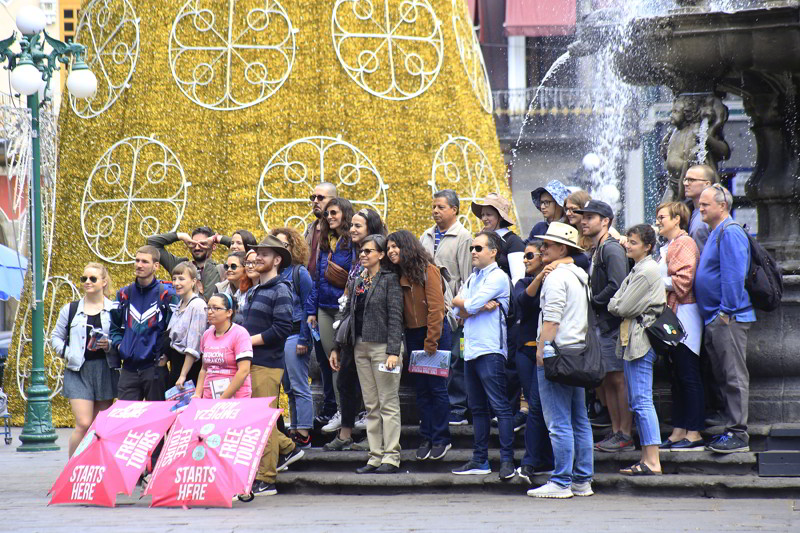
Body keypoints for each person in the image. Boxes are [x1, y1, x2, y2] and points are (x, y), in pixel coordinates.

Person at [527, 222, 594, 499]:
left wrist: (541, 350)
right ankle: (581, 479)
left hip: (557, 351)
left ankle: (561, 480)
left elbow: (552, 318)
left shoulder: (556, 277)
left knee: (558, 421)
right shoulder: (579, 274)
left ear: (562, 248)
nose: (542, 249)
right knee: (579, 418)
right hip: (577, 351)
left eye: (548, 245)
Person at [332, 235, 404, 474]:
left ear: (381, 255)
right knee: (371, 405)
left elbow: (396, 317)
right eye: (361, 251)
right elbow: (347, 316)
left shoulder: (389, 279)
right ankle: (375, 455)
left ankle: (391, 456)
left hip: (383, 347)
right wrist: (338, 346)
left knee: (388, 403)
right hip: (359, 346)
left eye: (368, 251)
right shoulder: (358, 280)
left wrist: (393, 350)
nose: (363, 254)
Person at [451, 231, 515, 481]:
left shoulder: (498, 277)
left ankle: (507, 460)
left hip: (490, 348)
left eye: (479, 248)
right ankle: (480, 459)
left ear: (493, 252)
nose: (474, 252)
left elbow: (469, 306)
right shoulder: (473, 277)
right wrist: (467, 305)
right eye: (472, 248)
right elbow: (457, 311)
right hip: (471, 349)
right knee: (477, 408)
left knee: (500, 406)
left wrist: (468, 305)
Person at [695, 185, 755, 453]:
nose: (701, 208)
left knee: (733, 375)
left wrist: (725, 312)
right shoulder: (715, 233)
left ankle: (738, 433)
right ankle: (731, 427)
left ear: (722, 206)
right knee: (725, 374)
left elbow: (734, 275)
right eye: (700, 204)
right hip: (716, 317)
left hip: (728, 318)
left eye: (706, 204)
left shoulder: (730, 232)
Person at [242, 235, 303, 496]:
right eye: (257, 253)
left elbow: (281, 329)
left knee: (261, 421)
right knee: (257, 419)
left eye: (264, 254)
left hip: (267, 364)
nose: (257, 257)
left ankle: (266, 478)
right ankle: (289, 448)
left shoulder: (282, 289)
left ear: (277, 260)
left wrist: (244, 341)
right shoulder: (256, 289)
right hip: (250, 362)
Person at [387, 229, 452, 461]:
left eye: (396, 246)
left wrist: (431, 342)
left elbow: (437, 309)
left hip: (433, 334)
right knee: (421, 391)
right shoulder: (397, 274)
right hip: (413, 336)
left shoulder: (429, 270)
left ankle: (441, 438)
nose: (391, 251)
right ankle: (427, 436)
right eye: (389, 248)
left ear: (408, 247)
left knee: (436, 388)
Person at [324, 208, 385, 451]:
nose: (352, 229)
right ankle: (345, 433)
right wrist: (338, 344)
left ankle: (375, 438)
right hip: (351, 333)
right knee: (345, 382)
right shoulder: (355, 260)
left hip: (374, 335)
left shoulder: (383, 261)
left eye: (358, 226)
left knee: (374, 390)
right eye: (353, 225)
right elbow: (346, 301)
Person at [608, 224, 666, 476]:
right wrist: (619, 303)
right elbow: (616, 301)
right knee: (637, 400)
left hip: (641, 341)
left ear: (648, 246)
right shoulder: (638, 269)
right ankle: (646, 458)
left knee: (642, 400)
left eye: (633, 242)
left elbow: (621, 307)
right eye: (628, 241)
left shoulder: (646, 271)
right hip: (633, 340)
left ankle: (652, 460)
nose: (628, 245)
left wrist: (620, 303)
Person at [576, 200, 633, 452]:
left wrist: (593, 302)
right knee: (608, 378)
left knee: (618, 379)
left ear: (606, 221)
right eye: (583, 216)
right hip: (603, 322)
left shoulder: (610, 248)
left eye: (591, 217)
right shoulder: (599, 248)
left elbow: (617, 285)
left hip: (612, 323)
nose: (584, 221)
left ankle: (625, 433)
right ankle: (615, 429)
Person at [51, 263, 118, 457]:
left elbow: (121, 336)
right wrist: (66, 352)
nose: (87, 282)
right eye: (84, 279)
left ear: (104, 282)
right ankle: (71, 469)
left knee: (98, 426)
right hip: (78, 369)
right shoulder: (70, 309)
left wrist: (110, 344)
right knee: (83, 423)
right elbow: (56, 336)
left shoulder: (114, 309)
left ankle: (92, 468)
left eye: (93, 279)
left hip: (105, 369)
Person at [420, 189, 473, 426]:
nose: (435, 211)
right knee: (431, 356)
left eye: (441, 207)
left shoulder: (464, 237)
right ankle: (434, 405)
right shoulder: (427, 236)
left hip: (453, 309)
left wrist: (461, 309)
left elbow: (467, 276)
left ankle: (457, 407)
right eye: (433, 207)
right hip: (428, 307)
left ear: (454, 209)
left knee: (455, 357)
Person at [656, 202, 705, 450]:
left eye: (662, 216)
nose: (658, 221)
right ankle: (678, 430)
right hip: (673, 316)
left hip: (684, 315)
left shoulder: (685, 243)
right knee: (676, 375)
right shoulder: (668, 246)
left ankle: (694, 432)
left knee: (687, 373)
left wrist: (652, 280)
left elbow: (684, 281)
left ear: (677, 219)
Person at [306, 197, 354, 432]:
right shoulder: (325, 241)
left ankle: (351, 411)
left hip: (345, 309)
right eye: (327, 214)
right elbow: (317, 278)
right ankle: (339, 411)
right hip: (324, 308)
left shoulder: (353, 241)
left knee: (346, 362)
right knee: (331, 360)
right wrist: (312, 311)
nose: (330, 217)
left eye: (334, 212)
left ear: (345, 213)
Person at [110, 246, 179, 402]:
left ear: (156, 266)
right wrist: (120, 347)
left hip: (155, 368)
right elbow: (114, 328)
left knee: (158, 422)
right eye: (137, 260)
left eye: (144, 262)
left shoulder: (167, 295)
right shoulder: (123, 294)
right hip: (128, 369)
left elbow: (175, 330)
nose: (139, 265)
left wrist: (166, 355)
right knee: (125, 420)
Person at [513, 241, 555, 483]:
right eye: (524, 256)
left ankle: (535, 460)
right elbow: (523, 301)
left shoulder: (555, 279)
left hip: (545, 351)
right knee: (534, 405)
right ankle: (536, 460)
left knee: (540, 408)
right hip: (525, 352)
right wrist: (539, 276)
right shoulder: (525, 282)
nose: (525, 260)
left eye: (530, 255)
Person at [270, 227, 314, 449]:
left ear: (292, 247)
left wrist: (304, 339)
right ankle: (295, 428)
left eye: (283, 245)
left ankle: (304, 431)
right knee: (288, 387)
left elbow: (309, 307)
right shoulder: (274, 274)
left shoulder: (299, 273)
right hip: (280, 337)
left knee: (298, 384)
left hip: (296, 334)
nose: (279, 249)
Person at [305, 182, 339, 425]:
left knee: (336, 360)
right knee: (321, 359)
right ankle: (329, 408)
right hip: (314, 302)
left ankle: (340, 409)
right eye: (312, 197)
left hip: (337, 303)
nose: (315, 201)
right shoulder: (310, 229)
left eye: (320, 197)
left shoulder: (340, 230)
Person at [191, 293, 252, 399]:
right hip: (209, 397)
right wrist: (197, 394)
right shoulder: (207, 334)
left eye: (216, 308)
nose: (210, 312)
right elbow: (204, 369)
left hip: (235, 398)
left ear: (229, 312)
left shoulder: (240, 334)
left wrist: (222, 398)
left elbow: (244, 370)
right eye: (208, 308)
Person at [146, 227, 221, 302]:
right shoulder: (179, 266)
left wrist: (217, 238)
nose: (197, 247)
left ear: (213, 246)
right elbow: (152, 242)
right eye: (193, 243)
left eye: (202, 243)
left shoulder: (223, 270)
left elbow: (232, 245)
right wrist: (181, 236)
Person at [167, 262, 208, 390]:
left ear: (193, 281)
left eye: (181, 279)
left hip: (188, 368)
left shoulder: (198, 306)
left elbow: (194, 343)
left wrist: (183, 375)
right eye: (174, 279)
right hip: (175, 365)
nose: (176, 283)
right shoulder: (179, 304)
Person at [471, 193, 525, 283]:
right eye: (482, 215)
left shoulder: (513, 241)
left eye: (488, 214)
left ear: (500, 217)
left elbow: (518, 278)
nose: (484, 218)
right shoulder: (481, 239)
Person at [683, 165, 713, 254]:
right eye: (685, 179)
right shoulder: (691, 210)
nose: (685, 183)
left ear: (707, 184)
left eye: (691, 180)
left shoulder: (712, 215)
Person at [214, 251, 248, 319]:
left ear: (245, 268)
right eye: (226, 267)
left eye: (233, 266)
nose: (229, 270)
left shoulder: (252, 290)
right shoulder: (220, 289)